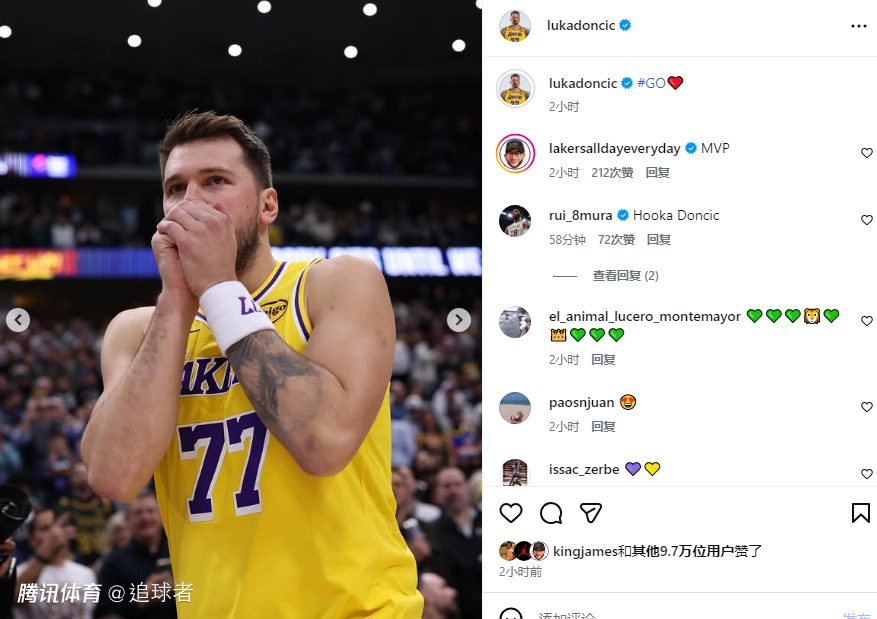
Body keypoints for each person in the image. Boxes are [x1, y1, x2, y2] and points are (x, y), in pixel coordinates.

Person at [79, 111, 421, 618]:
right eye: (175, 188)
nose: (191, 202)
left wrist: (218, 287)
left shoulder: (333, 283)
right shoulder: (137, 329)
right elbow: (114, 476)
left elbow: (323, 442)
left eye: (215, 181)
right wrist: (178, 301)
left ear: (267, 205)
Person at [95, 492, 176, 619]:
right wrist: (141, 601)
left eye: (151, 511)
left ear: (161, 515)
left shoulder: (178, 553)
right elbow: (105, 614)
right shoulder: (114, 563)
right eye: (138, 513)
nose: (145, 518)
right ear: (127, 520)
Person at [14, 509, 97, 619]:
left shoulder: (86, 574)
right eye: (45, 528)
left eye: (57, 527)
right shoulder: (19, 573)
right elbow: (13, 598)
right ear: (31, 539)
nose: (54, 533)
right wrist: (47, 548)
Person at [421, 468, 481, 619]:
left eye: (458, 484)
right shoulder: (432, 531)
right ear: (436, 493)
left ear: (467, 488)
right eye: (446, 486)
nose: (453, 491)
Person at [57, 462, 115, 570]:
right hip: (76, 561)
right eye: (78, 474)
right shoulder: (64, 505)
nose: (82, 478)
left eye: (85, 473)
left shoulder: (105, 503)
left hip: (105, 559)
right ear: (71, 479)